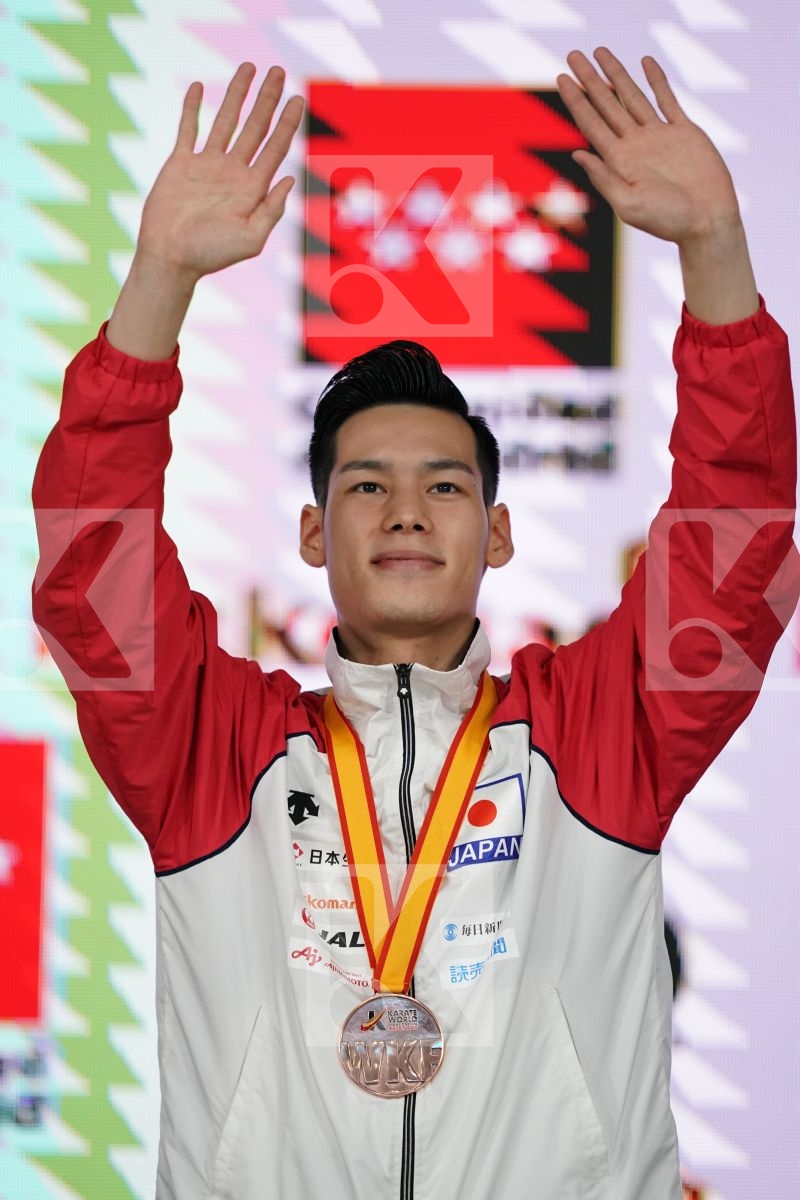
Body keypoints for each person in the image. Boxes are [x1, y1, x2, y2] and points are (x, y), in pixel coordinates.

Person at [31, 47, 796, 1200]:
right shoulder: (208, 746)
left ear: (494, 535)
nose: (402, 509)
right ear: (308, 534)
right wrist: (157, 285)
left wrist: (715, 258)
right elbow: (91, 568)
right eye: (364, 485)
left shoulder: (602, 730)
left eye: (443, 485)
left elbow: (734, 546)